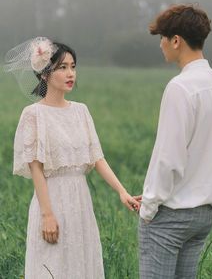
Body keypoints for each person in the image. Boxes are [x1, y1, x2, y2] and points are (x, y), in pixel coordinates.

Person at [5, 37, 140, 279]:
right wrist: (47, 215)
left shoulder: (81, 111)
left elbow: (97, 158)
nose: (70, 74)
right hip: (51, 200)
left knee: (81, 264)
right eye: (62, 67)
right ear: (45, 74)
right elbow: (36, 168)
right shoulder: (34, 114)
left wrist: (122, 192)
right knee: (51, 265)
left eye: (73, 67)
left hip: (80, 202)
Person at [138, 4, 212, 279]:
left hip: (171, 216)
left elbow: (168, 158)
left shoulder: (180, 87)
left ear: (176, 40)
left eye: (163, 38)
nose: (161, 45)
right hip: (204, 214)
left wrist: (149, 207)